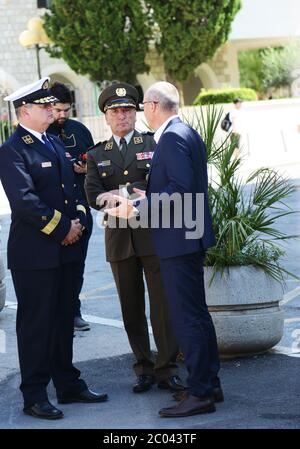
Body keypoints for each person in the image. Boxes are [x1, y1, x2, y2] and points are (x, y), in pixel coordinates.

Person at [105, 81, 223, 418]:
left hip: (177, 240)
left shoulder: (171, 138)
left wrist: (137, 208)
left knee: (187, 318)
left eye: (143, 105)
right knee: (197, 315)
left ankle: (200, 393)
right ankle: (209, 383)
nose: (142, 111)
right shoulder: (186, 132)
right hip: (188, 235)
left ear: (155, 105)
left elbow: (181, 190)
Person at [0, 77, 107, 420]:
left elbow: (73, 190)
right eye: (44, 106)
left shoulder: (54, 144)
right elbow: (26, 203)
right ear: (24, 111)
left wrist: (78, 220)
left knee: (63, 320)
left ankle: (67, 383)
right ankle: (34, 394)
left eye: (51, 105)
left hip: (66, 250)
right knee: (36, 325)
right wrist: (64, 229)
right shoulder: (13, 150)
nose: (51, 110)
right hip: (35, 254)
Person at [85, 82, 184, 394]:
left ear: (136, 112)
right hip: (119, 239)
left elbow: (162, 185)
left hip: (154, 236)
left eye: (127, 109)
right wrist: (117, 197)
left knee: (162, 307)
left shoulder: (155, 143)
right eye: (115, 111)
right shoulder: (97, 154)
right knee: (131, 308)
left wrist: (119, 193)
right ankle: (142, 367)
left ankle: (167, 368)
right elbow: (91, 194)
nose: (122, 115)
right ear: (106, 117)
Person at [48, 82, 94, 331]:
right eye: (57, 110)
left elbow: (98, 165)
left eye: (66, 110)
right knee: (55, 267)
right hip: (53, 214)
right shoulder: (43, 134)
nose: (62, 115)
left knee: (77, 266)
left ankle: (74, 312)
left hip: (81, 210)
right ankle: (57, 314)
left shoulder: (80, 131)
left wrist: (88, 169)